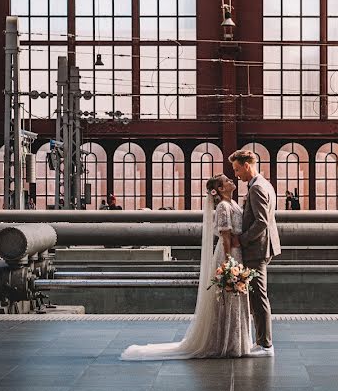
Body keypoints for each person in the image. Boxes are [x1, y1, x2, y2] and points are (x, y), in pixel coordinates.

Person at [120, 174, 252, 359]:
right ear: (220, 189)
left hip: (237, 254)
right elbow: (225, 237)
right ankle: (227, 342)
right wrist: (229, 261)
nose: (231, 181)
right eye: (227, 181)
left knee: (233, 297)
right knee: (228, 298)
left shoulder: (232, 203)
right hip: (230, 254)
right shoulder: (223, 206)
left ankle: (233, 341)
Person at [230, 148, 281, 357]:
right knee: (256, 295)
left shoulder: (257, 188)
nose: (236, 174)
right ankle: (262, 342)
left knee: (259, 296)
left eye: (237, 169)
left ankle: (265, 345)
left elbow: (261, 222)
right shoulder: (262, 184)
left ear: (247, 165)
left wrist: (241, 240)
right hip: (262, 247)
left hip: (257, 248)